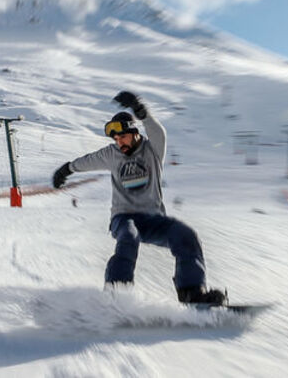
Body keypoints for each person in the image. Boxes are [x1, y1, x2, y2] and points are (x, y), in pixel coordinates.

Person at [52, 91, 227, 305]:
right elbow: (87, 161)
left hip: (153, 219)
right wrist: (66, 169)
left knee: (187, 236)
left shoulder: (152, 150)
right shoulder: (111, 154)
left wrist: (140, 110)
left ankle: (192, 293)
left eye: (123, 137)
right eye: (116, 139)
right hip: (123, 218)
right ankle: (116, 295)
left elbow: (158, 131)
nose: (119, 143)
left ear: (135, 134)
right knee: (128, 237)